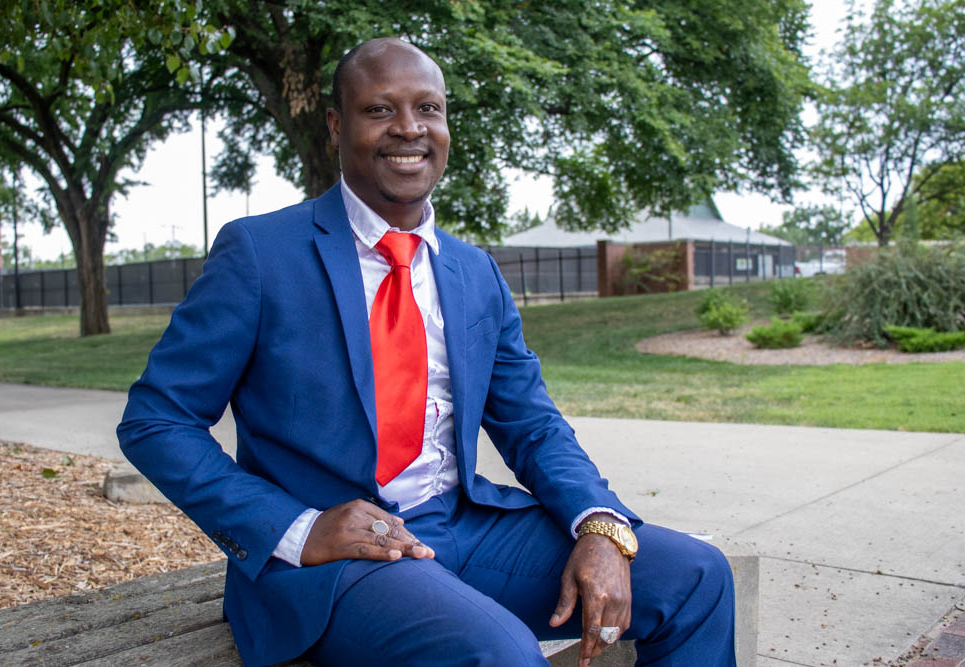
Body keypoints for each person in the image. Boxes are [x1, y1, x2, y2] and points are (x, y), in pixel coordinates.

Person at [118, 38, 735, 667]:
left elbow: (532, 423)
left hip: (463, 526)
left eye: (428, 108)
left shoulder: (474, 272)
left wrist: (597, 523)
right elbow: (156, 420)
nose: (408, 128)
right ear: (337, 125)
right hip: (338, 564)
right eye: (380, 110)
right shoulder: (261, 253)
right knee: (500, 654)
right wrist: (297, 528)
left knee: (697, 577)